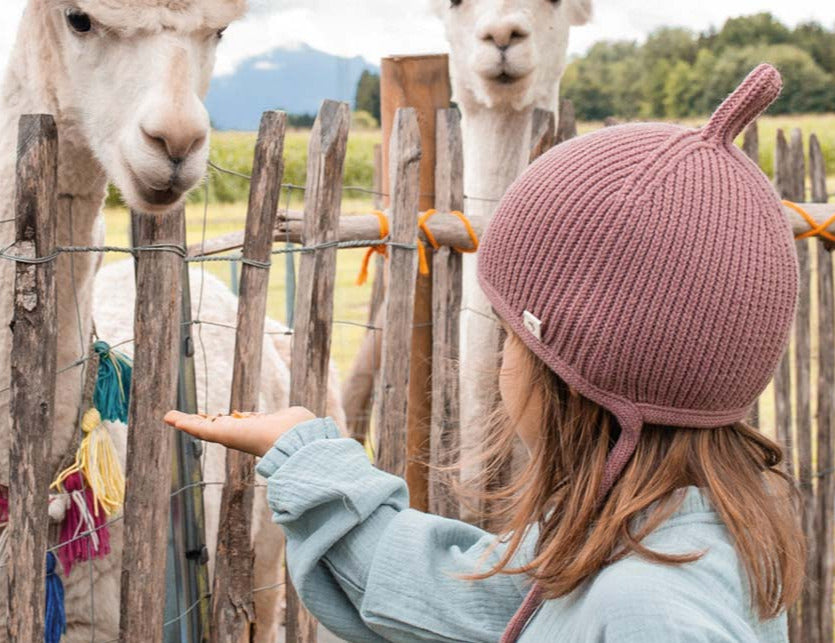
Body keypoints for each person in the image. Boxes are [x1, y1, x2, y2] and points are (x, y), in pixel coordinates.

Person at [166, 63, 804, 642]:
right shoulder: (653, 536)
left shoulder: (646, 608)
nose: (502, 359)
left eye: (511, 337)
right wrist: (307, 454)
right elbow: (461, 595)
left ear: (576, 378)